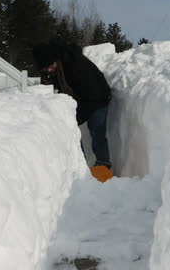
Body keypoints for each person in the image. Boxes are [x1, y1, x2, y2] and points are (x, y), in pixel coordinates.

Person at [32, 42, 114, 181]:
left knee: (96, 131)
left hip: (98, 98)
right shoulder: (56, 69)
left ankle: (103, 168)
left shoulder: (75, 65)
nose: (49, 70)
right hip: (84, 100)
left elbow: (89, 94)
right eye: (46, 69)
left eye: (49, 66)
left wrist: (75, 117)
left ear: (54, 59)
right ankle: (79, 165)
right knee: (72, 129)